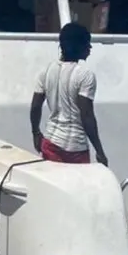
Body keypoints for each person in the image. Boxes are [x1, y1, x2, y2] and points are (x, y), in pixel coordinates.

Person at [30, 23, 107, 165]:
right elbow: (87, 116)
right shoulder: (85, 75)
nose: (90, 48)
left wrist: (36, 133)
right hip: (75, 149)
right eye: (87, 44)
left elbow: (35, 106)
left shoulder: (46, 71)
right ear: (78, 46)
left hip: (50, 143)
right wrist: (99, 151)